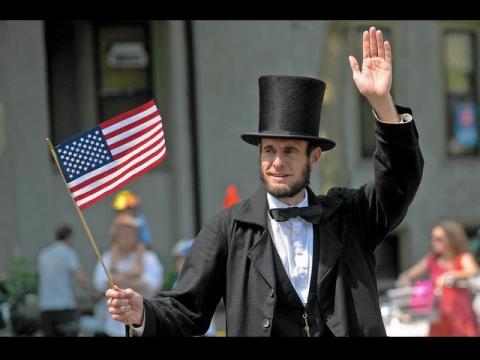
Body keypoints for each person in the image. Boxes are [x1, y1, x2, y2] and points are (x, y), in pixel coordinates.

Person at [106, 26, 424, 337]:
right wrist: (143, 312)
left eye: (290, 151)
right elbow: (187, 308)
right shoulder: (228, 229)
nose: (277, 162)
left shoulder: (349, 217)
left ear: (314, 157)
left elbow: (399, 180)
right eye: (269, 150)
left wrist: (382, 103)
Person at [398, 220, 480, 336]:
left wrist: (450, 275)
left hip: (461, 316)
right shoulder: (431, 260)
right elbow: (408, 275)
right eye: (433, 238)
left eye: (439, 239)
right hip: (439, 316)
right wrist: (406, 283)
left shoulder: (462, 257)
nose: (434, 242)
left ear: (451, 240)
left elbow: (472, 270)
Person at [93, 214, 163, 336]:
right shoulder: (108, 257)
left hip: (143, 324)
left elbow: (152, 284)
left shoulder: (148, 258)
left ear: (136, 236)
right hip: (114, 327)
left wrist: (117, 278)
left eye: (129, 235)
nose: (126, 239)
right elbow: (99, 283)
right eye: (122, 235)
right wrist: (133, 276)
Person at [38, 224, 97, 336]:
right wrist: (93, 292)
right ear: (69, 237)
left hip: (45, 306)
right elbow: (80, 277)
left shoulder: (43, 254)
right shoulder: (67, 252)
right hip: (64, 305)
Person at [171, 239, 217, 336]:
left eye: (183, 259)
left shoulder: (200, 280)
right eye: (178, 259)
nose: (179, 263)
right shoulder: (179, 281)